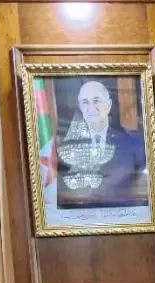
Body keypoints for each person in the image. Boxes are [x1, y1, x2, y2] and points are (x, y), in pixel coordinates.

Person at [56, 79, 148, 209]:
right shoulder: (65, 147)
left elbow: (144, 195)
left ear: (108, 105)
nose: (91, 108)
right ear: (80, 106)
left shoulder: (135, 143)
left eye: (96, 101)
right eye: (85, 102)